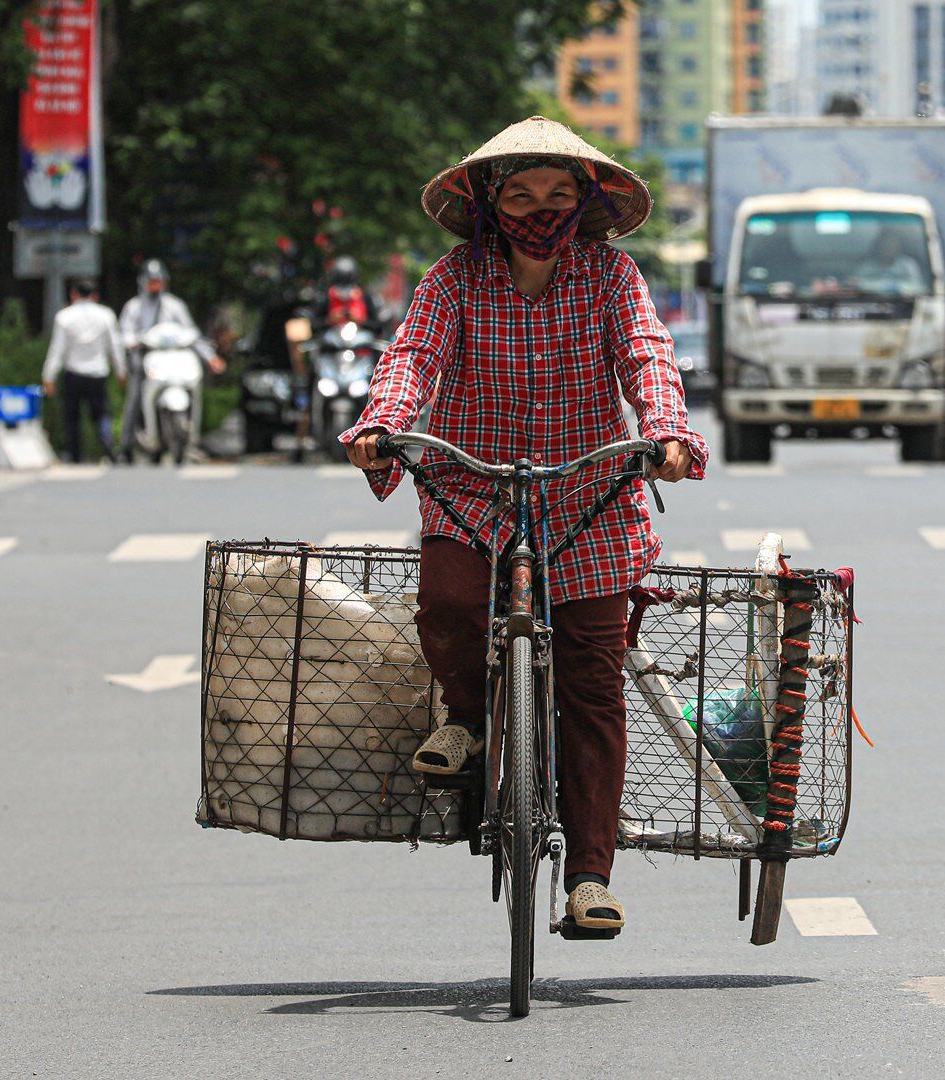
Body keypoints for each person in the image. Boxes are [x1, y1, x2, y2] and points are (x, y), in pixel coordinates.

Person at [342, 116, 708, 931]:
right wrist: (382, 423)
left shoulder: (611, 277)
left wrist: (667, 433)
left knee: (590, 679)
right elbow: (412, 357)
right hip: (471, 485)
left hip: (588, 494)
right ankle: (468, 717)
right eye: (519, 193)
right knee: (448, 603)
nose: (538, 208)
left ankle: (588, 878)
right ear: (489, 204)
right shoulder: (452, 279)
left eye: (556, 193)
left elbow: (648, 355)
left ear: (584, 201)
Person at [117, 259, 201, 463]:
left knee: (194, 384)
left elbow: (191, 331)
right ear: (143, 282)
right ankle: (126, 446)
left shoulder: (174, 305)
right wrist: (133, 342)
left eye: (158, 281)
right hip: (145, 360)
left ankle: (193, 436)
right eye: (151, 282)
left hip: (172, 360)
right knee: (136, 397)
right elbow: (124, 333)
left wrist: (210, 357)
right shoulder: (134, 307)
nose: (155, 285)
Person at [42, 279, 126, 463]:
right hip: (98, 373)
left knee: (72, 417)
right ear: (95, 296)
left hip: (74, 373)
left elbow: (57, 349)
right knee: (101, 414)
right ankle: (107, 445)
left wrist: (48, 376)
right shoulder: (106, 315)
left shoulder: (64, 316)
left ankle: (75, 455)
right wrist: (121, 371)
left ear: (74, 295)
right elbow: (115, 346)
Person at [854, 228, 925, 294]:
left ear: (898, 247)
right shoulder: (865, 267)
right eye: (885, 244)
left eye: (892, 244)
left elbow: (917, 287)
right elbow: (858, 286)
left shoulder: (908, 265)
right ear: (878, 246)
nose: (888, 247)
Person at [319, 256, 379, 328]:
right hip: (331, 337)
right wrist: (330, 320)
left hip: (360, 337)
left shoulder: (365, 297)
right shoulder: (326, 297)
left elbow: (376, 325)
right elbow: (315, 325)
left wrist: (360, 320)